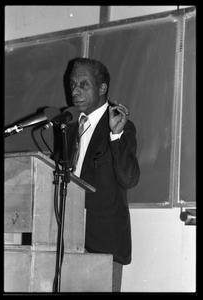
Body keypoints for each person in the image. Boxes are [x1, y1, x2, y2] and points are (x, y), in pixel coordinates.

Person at [61, 58, 140, 292]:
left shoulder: (120, 126)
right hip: (67, 238)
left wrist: (116, 137)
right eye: (72, 84)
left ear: (102, 88)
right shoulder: (68, 130)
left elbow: (129, 179)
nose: (74, 90)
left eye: (83, 84)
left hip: (103, 243)